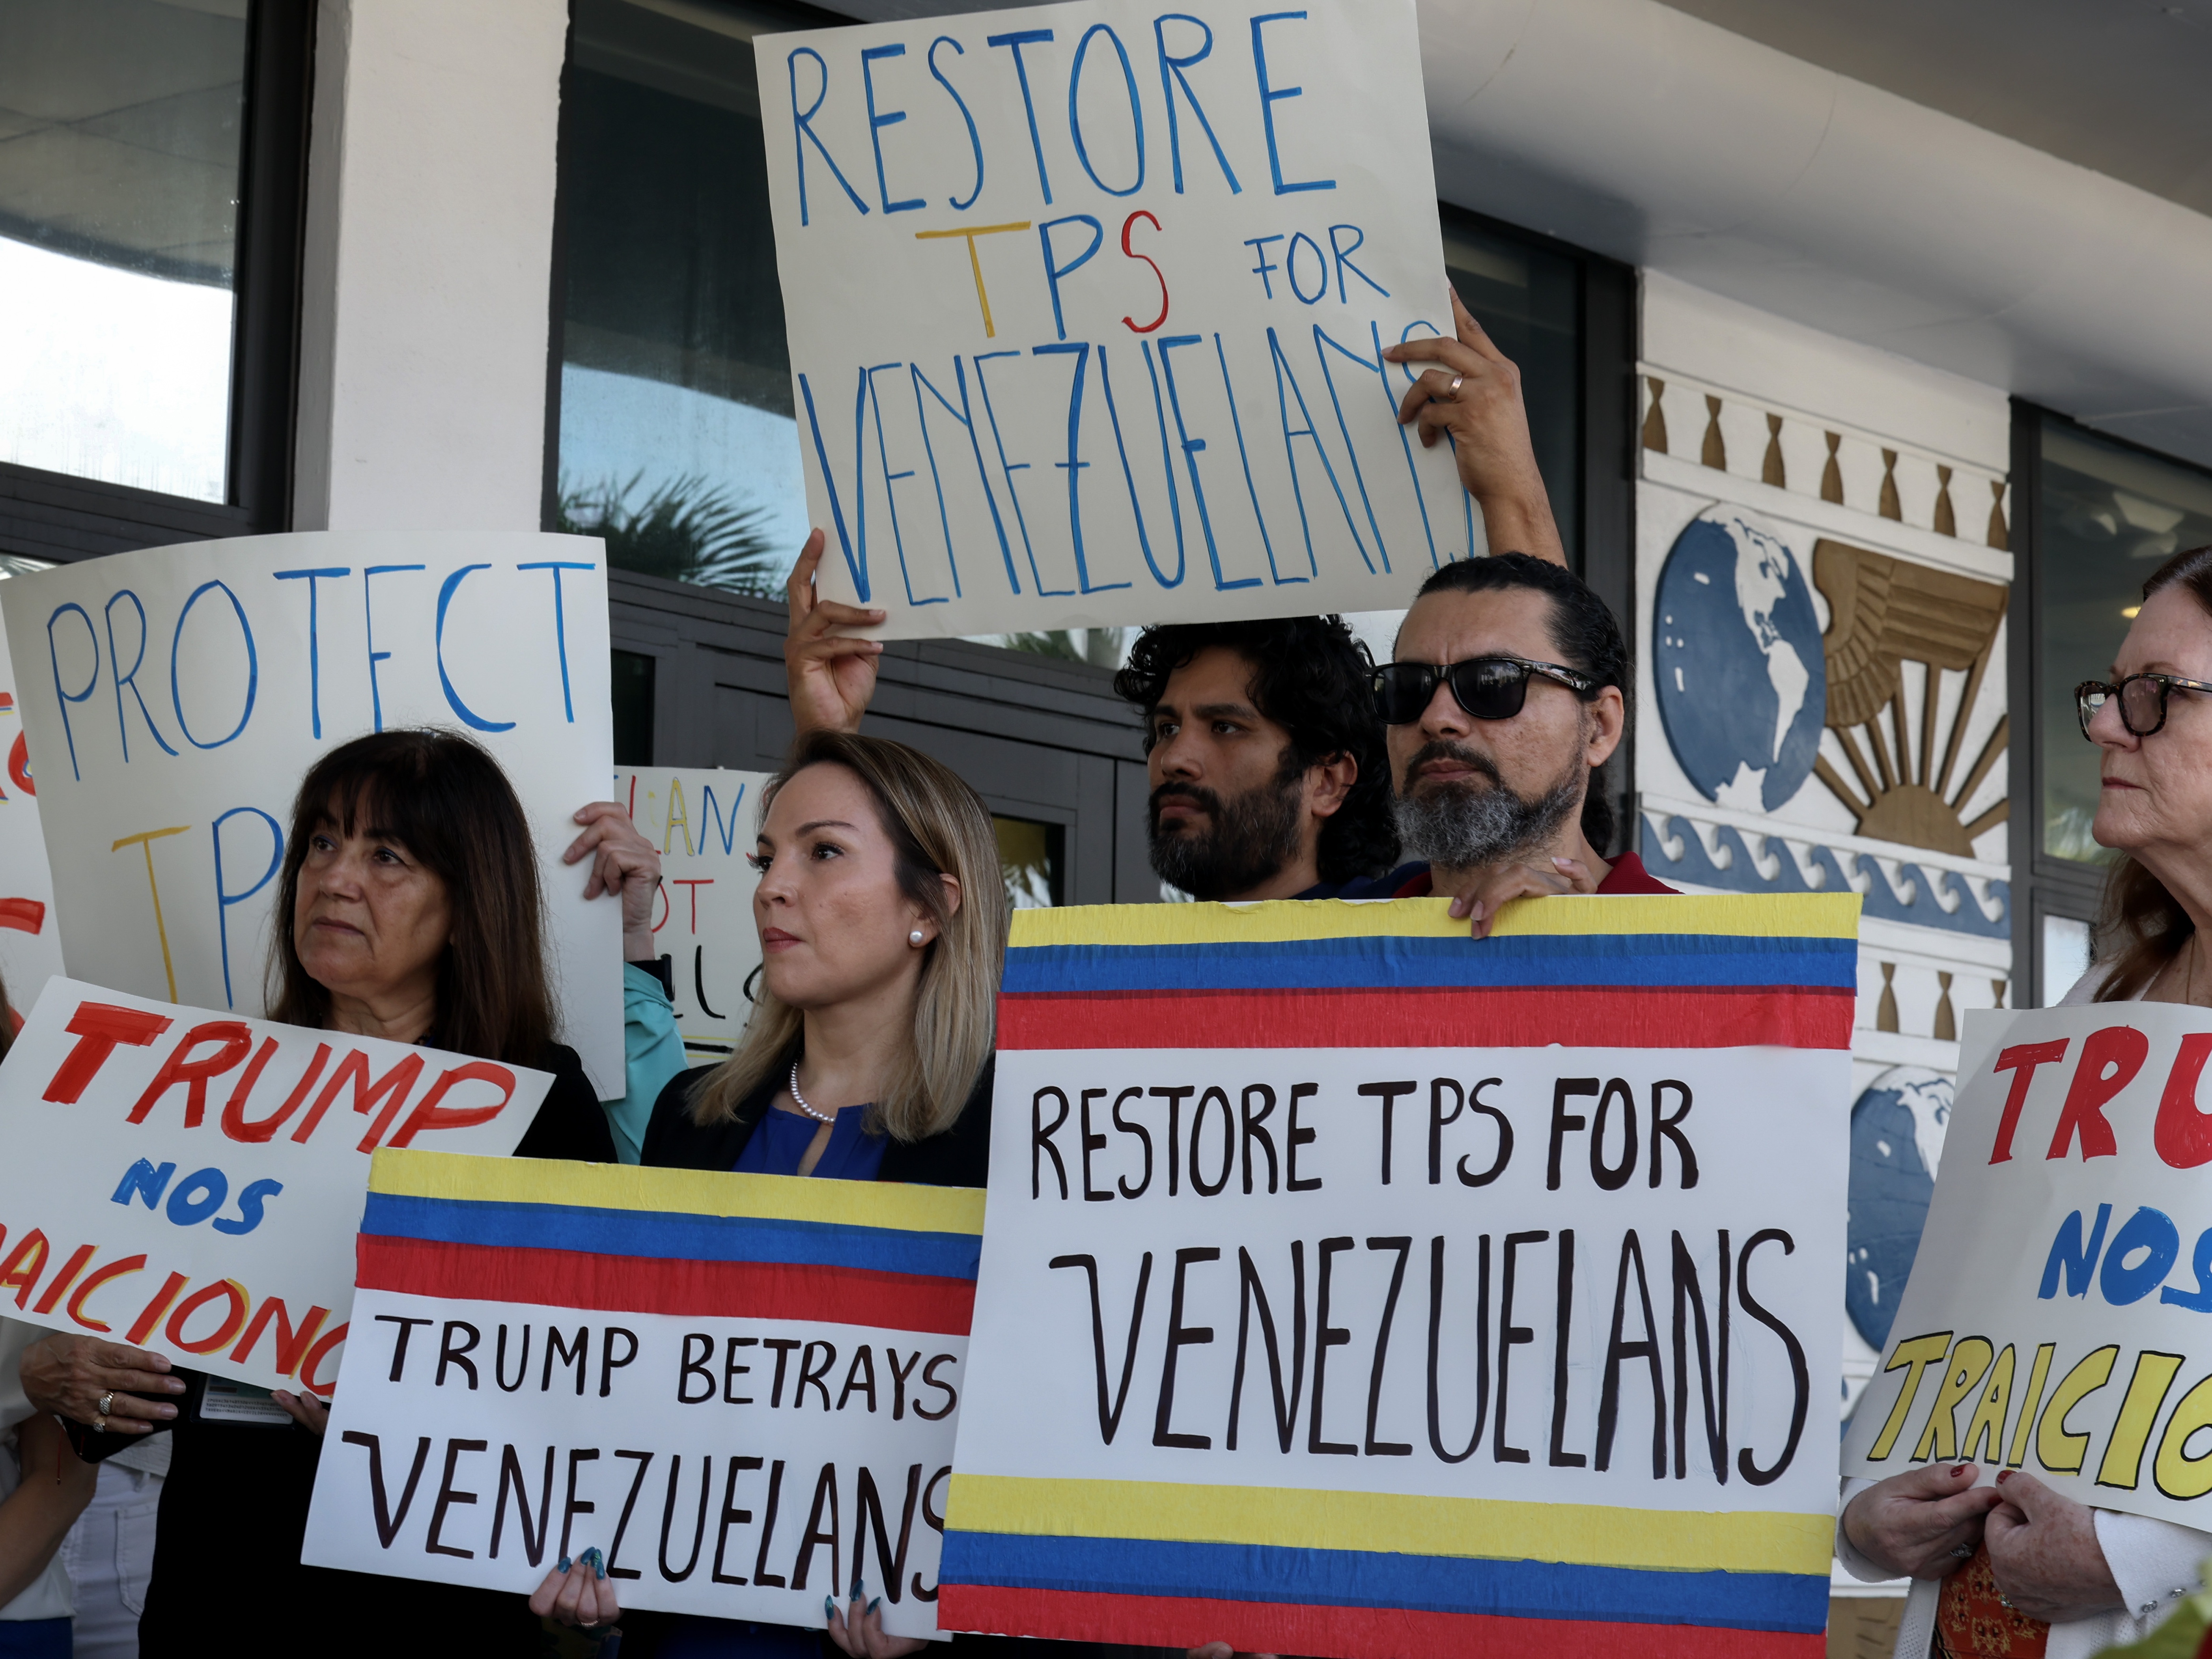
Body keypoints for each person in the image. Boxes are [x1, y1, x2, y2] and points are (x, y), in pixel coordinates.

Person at [19, 728, 641, 1656]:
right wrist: (70, 1381)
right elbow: (140, 1378)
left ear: (469, 907)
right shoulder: (208, 1084)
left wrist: (399, 1408)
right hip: (221, 1591)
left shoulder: (542, 1106)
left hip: (430, 1615)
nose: (336, 878)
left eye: (385, 855)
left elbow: (588, 1390)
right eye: (321, 843)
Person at [536, 730, 1118, 1657]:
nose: (772, 885)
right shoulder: (692, 1118)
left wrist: (951, 1612)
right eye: (768, 857)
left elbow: (1071, 1445)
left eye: (824, 852)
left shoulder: (1023, 1145)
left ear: (931, 907)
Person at [1836, 544, 2212, 1657]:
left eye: (2155, 697)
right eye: (2110, 692)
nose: (2105, 725)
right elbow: (1982, 1316)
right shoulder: (2101, 998)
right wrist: (1871, 1504)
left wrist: (2141, 1557)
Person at [1370, 552, 1675, 914]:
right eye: (1406, 688)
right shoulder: (1329, 949)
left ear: (1599, 726)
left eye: (1493, 683)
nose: (1436, 718)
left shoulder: (1704, 955)